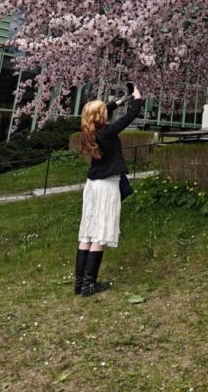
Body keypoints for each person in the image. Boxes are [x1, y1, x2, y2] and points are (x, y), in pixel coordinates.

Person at [74, 85, 143, 297]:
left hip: (92, 186)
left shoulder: (89, 132)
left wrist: (120, 101)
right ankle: (89, 285)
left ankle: (80, 284)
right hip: (105, 186)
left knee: (87, 233)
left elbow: (107, 110)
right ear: (99, 116)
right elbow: (129, 117)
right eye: (104, 111)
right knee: (101, 233)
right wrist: (138, 98)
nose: (107, 112)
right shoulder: (106, 133)